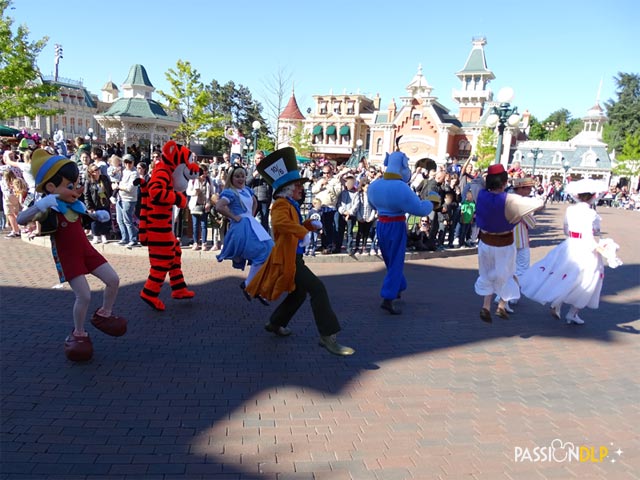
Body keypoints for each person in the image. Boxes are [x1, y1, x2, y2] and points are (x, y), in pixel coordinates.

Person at [16, 149, 126, 361]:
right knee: (84, 295)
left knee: (113, 280)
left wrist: (96, 217)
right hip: (69, 256)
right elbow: (21, 219)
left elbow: (84, 218)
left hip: (87, 251)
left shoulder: (76, 205)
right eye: (70, 186)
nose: (76, 189)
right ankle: (78, 332)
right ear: (50, 187)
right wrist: (39, 205)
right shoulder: (49, 207)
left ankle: (103, 314)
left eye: (76, 184)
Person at [245, 147, 355, 356]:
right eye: (297, 185)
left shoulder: (289, 204)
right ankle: (328, 336)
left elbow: (293, 225)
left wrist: (309, 225)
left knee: (299, 293)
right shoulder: (279, 205)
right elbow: (281, 225)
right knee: (318, 289)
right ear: (287, 188)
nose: (300, 189)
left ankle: (276, 323)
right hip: (288, 259)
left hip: (294, 257)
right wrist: (301, 232)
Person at [520, 179, 618, 325]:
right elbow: (590, 237)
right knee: (587, 281)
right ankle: (572, 312)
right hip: (585, 249)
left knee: (565, 276)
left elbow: (566, 229)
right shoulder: (590, 213)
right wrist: (605, 251)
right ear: (593, 196)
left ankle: (558, 303)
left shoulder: (571, 209)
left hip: (569, 245)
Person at [474, 164, 543, 323]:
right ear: (505, 182)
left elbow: (476, 182)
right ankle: (501, 305)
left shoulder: (481, 193)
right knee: (508, 273)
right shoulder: (510, 199)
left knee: (487, 273)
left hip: (484, 242)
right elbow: (538, 204)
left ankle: (486, 306)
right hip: (504, 243)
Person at [367, 150, 434, 315]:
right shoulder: (401, 187)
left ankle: (398, 286)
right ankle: (388, 297)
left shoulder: (374, 185)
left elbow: (372, 205)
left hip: (381, 224)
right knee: (396, 261)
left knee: (390, 260)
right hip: (395, 225)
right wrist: (430, 203)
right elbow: (418, 209)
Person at [215, 164, 274, 305]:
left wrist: (251, 215)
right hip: (242, 227)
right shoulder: (230, 193)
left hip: (251, 224)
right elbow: (219, 206)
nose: (240, 179)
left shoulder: (247, 190)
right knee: (259, 252)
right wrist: (234, 217)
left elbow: (254, 203)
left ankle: (250, 284)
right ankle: (252, 285)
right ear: (231, 178)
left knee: (270, 250)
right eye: (237, 176)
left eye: (242, 176)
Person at [84, 163, 113, 244]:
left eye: (98, 169)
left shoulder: (104, 178)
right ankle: (96, 236)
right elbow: (86, 195)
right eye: (95, 170)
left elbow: (109, 190)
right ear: (91, 172)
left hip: (104, 202)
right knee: (95, 221)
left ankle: (104, 235)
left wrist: (110, 200)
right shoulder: (88, 182)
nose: (98, 171)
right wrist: (89, 207)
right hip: (94, 203)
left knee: (105, 219)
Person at [186, 165, 213, 251]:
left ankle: (204, 243)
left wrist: (209, 203)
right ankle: (195, 242)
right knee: (195, 225)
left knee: (204, 225)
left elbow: (212, 192)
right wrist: (195, 192)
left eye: (205, 172)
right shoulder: (193, 180)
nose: (204, 174)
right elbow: (188, 191)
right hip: (195, 205)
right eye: (202, 172)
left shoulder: (208, 180)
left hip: (204, 205)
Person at [115, 155, 139, 248]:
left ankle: (133, 239)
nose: (127, 164)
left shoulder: (134, 173)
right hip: (120, 198)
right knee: (120, 220)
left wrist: (118, 187)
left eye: (129, 162)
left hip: (129, 199)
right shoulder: (123, 171)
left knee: (127, 220)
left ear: (133, 162)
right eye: (126, 162)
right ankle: (124, 238)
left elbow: (130, 188)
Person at [247, 150, 272, 233]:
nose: (260, 160)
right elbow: (246, 183)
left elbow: (273, 186)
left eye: (261, 158)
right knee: (250, 219)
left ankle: (265, 240)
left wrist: (272, 201)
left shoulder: (269, 170)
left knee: (264, 221)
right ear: (255, 160)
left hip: (265, 199)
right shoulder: (252, 169)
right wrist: (254, 175)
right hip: (254, 199)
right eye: (258, 158)